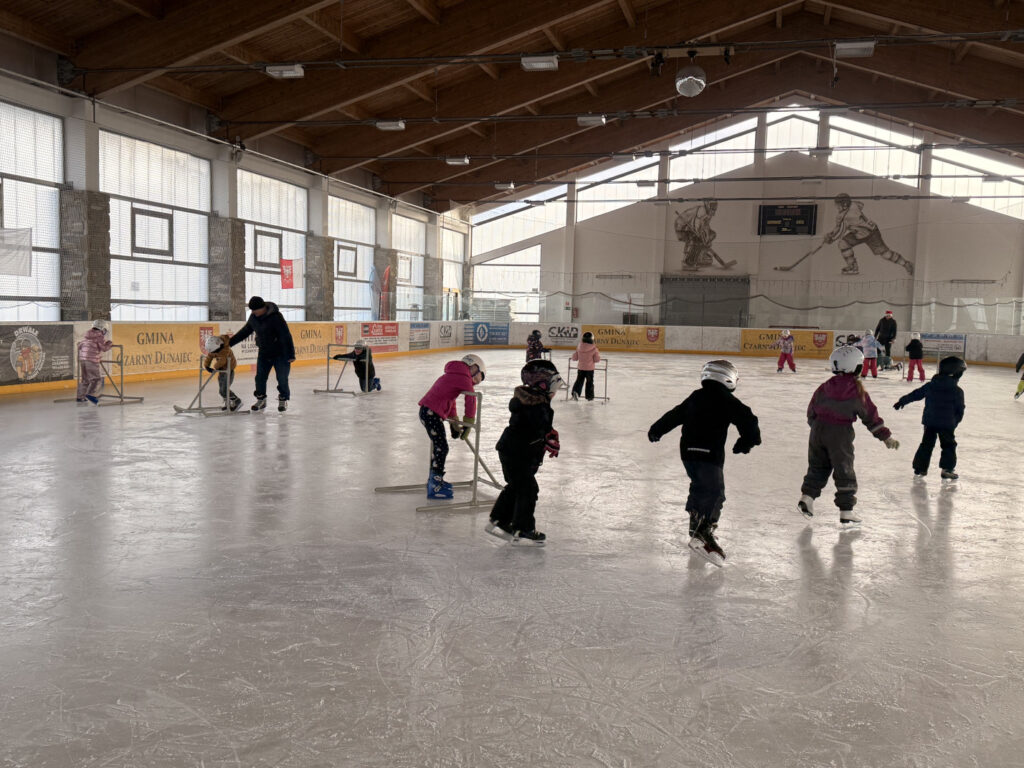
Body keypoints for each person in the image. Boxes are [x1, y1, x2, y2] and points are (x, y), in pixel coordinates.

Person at [647, 360, 761, 566]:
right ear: (728, 378)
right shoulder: (726, 399)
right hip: (710, 454)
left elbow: (675, 414)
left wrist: (657, 430)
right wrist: (746, 442)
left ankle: (695, 520)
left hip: (688, 454)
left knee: (699, 485)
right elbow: (748, 419)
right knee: (716, 492)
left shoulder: (695, 396)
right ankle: (704, 532)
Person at [798, 346, 900, 526]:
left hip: (817, 431)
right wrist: (886, 437)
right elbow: (870, 416)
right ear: (856, 367)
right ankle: (846, 512)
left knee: (817, 467)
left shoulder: (825, 386)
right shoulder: (855, 390)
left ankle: (807, 498)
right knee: (844, 469)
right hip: (840, 434)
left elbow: (811, 409)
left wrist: (816, 427)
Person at [486, 359, 563, 546]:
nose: (555, 392)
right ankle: (524, 528)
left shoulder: (530, 402)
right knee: (528, 489)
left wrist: (548, 434)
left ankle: (498, 520)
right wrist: (547, 439)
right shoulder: (539, 406)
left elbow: (534, 426)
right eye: (553, 387)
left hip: (513, 450)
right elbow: (535, 427)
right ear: (543, 384)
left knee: (516, 486)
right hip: (518, 452)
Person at [417, 354, 486, 499]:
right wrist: (468, 422)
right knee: (442, 447)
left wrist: (454, 421)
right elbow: (471, 399)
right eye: (477, 378)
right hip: (431, 413)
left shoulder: (455, 374)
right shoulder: (463, 377)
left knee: (439, 446)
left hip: (428, 412)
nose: (473, 383)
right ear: (474, 367)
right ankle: (435, 484)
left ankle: (434, 480)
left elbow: (451, 399)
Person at [894, 356, 966, 480]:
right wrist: (954, 422)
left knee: (926, 444)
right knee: (948, 445)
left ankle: (920, 468)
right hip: (947, 424)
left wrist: (902, 401)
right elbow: (960, 410)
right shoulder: (957, 390)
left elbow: (916, 394)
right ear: (956, 373)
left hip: (930, 422)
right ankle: (947, 469)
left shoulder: (931, 385)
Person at [228, 296, 296, 412]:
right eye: (252, 311)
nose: (254, 313)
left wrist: (290, 354)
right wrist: (229, 343)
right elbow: (245, 332)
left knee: (282, 378)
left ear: (263, 307)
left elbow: (286, 335)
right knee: (260, 378)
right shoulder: (254, 317)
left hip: (280, 354)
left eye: (256, 310)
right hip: (264, 352)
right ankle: (261, 400)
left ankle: (283, 399)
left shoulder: (276, 317)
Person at [824, 194, 914, 276]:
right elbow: (860, 205)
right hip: (861, 232)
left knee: (885, 253)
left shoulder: (846, 216)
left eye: (837, 205)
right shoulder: (854, 205)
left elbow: (841, 231)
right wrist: (831, 234)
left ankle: (905, 263)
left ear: (844, 205)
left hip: (871, 234)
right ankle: (852, 266)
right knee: (843, 243)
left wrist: (831, 239)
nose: (836, 206)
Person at [202, 334, 242, 411]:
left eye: (214, 351)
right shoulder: (215, 348)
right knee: (221, 390)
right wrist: (207, 366)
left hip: (228, 371)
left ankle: (237, 401)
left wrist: (214, 367)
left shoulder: (225, 349)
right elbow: (209, 356)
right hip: (222, 370)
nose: (213, 352)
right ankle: (228, 403)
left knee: (224, 390)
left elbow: (222, 361)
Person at [77, 319, 113, 404]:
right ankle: (90, 394)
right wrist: (109, 344)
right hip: (92, 360)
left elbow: (79, 346)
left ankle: (80, 397)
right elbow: (104, 348)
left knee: (85, 379)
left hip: (83, 360)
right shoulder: (99, 336)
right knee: (96, 379)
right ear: (102, 328)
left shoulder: (86, 335)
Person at [570, 331, 602, 401]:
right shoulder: (594, 349)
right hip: (590, 369)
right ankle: (589, 396)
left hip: (581, 368)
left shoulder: (579, 347)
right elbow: (596, 360)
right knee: (589, 382)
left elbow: (574, 358)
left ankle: (576, 392)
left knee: (579, 380)